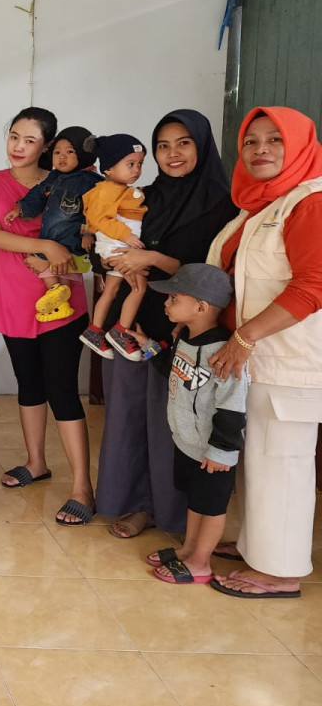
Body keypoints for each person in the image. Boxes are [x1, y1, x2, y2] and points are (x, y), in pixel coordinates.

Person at [95, 110, 237, 540]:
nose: (172, 154)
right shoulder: (144, 196)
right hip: (135, 315)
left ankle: (174, 512)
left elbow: (211, 273)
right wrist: (112, 255)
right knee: (128, 412)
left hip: (187, 326)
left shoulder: (223, 202)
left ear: (202, 145)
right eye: (163, 146)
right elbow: (116, 237)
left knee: (173, 420)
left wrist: (153, 259)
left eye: (183, 143)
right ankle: (135, 503)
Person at [206, 106, 322, 600]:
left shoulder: (310, 203)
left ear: (299, 145)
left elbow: (313, 285)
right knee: (257, 457)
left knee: (284, 461)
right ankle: (260, 546)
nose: (261, 150)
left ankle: (280, 571)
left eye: (275, 140)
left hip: (288, 359)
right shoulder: (254, 207)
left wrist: (245, 335)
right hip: (252, 359)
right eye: (251, 141)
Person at [0, 107, 95, 526]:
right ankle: (36, 462)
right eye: (13, 137)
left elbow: (85, 234)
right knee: (29, 383)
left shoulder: (66, 182)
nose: (18, 147)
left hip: (61, 298)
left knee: (61, 389)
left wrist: (63, 252)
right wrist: (46, 246)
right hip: (12, 297)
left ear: (48, 146)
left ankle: (82, 486)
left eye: (29, 140)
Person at [135, 264, 247, 584]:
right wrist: (146, 344)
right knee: (195, 501)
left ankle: (201, 563)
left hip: (214, 451)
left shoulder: (223, 351)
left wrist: (222, 450)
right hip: (187, 442)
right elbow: (171, 368)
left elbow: (232, 404)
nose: (166, 304)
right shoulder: (185, 337)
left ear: (200, 307)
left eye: (173, 298)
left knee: (211, 507)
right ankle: (187, 549)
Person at [3, 127, 99, 323]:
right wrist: (20, 209)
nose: (62, 157)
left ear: (84, 153)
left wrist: (88, 233)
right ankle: (60, 300)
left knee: (45, 260)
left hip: (73, 237)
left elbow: (97, 210)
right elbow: (38, 193)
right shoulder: (54, 178)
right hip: (51, 236)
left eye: (69, 152)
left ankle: (57, 293)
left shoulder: (90, 181)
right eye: (57, 152)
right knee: (54, 266)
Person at [79, 135, 149, 360]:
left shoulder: (117, 189)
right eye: (130, 164)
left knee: (111, 290)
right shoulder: (108, 190)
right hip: (118, 246)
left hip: (115, 246)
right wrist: (126, 235)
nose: (136, 169)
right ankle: (120, 330)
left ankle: (95, 330)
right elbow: (100, 219)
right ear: (108, 168)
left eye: (140, 164)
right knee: (139, 288)